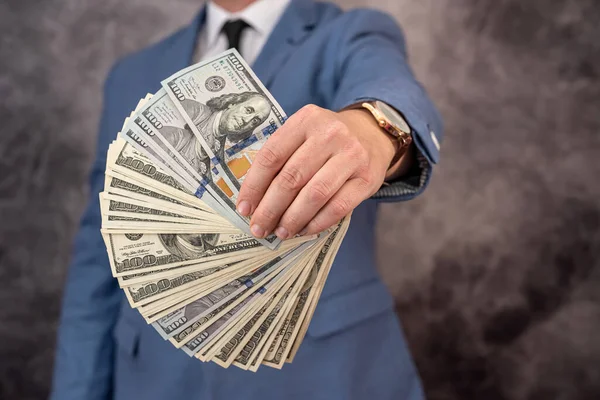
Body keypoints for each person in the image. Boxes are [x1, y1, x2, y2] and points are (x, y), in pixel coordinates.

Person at [51, 0, 443, 399]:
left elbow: (390, 88)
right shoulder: (131, 75)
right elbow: (100, 257)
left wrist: (375, 130)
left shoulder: (349, 33)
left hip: (322, 373)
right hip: (155, 376)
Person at [160, 92, 271, 180]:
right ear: (233, 103)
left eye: (255, 121)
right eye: (248, 110)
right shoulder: (190, 110)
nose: (246, 120)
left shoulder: (219, 157)